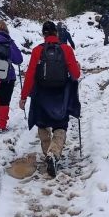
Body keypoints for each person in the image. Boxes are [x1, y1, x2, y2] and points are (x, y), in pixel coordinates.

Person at [18, 21, 81, 177]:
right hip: (61, 95)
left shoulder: (37, 50)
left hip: (41, 94)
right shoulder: (66, 49)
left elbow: (30, 75)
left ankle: (48, 154)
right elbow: (75, 74)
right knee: (60, 126)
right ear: (56, 33)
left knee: (42, 125)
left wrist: (24, 96)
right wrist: (77, 66)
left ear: (43, 34)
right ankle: (54, 153)